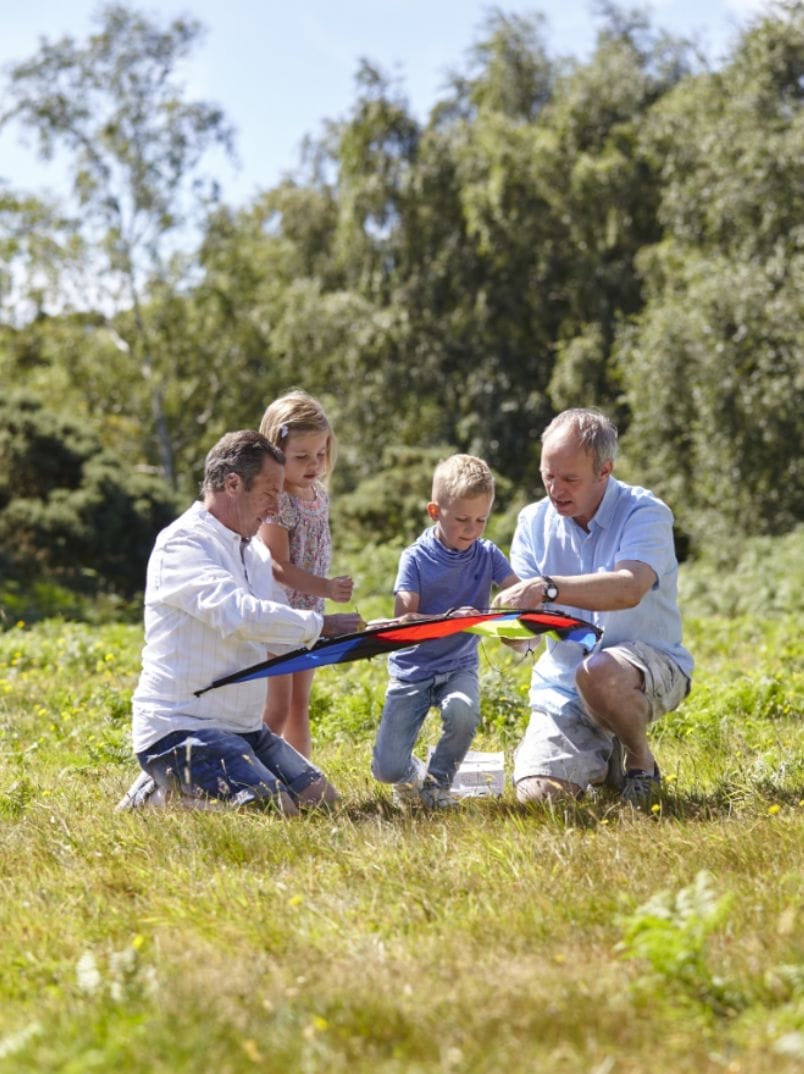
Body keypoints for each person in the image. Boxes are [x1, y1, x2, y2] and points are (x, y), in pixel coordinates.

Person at [119, 430, 363, 814]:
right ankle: (158, 794)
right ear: (233, 483)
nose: (274, 507)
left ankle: (181, 787)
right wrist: (323, 625)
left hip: (244, 728)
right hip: (182, 728)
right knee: (276, 811)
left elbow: (279, 631)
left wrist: (382, 633)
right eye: (269, 493)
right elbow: (241, 615)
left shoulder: (256, 554)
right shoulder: (183, 545)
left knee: (323, 804)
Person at [493, 407, 693, 806]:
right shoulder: (532, 522)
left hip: (647, 668)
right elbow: (520, 637)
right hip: (562, 686)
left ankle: (640, 761)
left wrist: (548, 589)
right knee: (538, 798)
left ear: (605, 471)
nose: (556, 490)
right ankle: (602, 760)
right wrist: (500, 619)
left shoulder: (645, 512)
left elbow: (628, 589)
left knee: (598, 671)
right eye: (548, 476)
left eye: (570, 479)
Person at [371, 454, 519, 809]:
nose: (472, 529)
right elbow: (404, 618)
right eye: (462, 519)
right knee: (386, 769)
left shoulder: (487, 554)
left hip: (459, 665)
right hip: (413, 668)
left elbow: (517, 593)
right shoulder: (415, 558)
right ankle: (412, 774)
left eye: (481, 519)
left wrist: (514, 606)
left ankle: (437, 786)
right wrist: (452, 618)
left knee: (463, 711)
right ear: (435, 512)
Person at [258, 390, 354, 757]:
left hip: (310, 615)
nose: (313, 464)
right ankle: (257, 772)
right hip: (282, 616)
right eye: (301, 457)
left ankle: (301, 776)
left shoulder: (318, 494)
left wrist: (321, 595)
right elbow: (278, 567)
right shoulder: (278, 501)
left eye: (321, 454)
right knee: (277, 707)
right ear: (275, 452)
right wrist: (326, 587)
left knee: (300, 704)